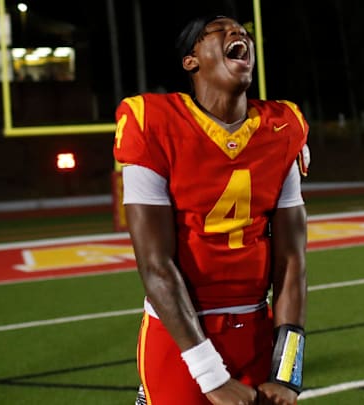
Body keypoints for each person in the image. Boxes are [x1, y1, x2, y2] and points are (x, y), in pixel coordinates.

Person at [113, 14, 310, 405]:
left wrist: (287, 372)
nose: (238, 33)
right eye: (219, 30)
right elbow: (155, 265)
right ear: (191, 60)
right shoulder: (151, 121)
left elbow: (292, 261)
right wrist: (210, 375)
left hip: (255, 329)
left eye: (242, 30)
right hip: (180, 337)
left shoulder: (281, 127)